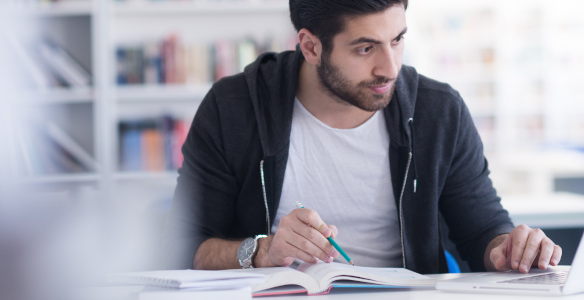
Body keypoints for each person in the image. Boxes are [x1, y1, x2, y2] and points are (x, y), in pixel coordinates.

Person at [164, 0, 562, 274]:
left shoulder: (437, 111)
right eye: (365, 48)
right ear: (310, 46)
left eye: (397, 40)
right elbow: (181, 246)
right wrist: (262, 251)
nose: (389, 68)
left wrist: (510, 251)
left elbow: (482, 232)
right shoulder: (234, 107)